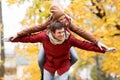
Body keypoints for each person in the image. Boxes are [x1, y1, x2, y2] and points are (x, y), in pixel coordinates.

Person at [10, 5, 111, 80]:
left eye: (64, 18)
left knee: (75, 57)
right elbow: (34, 29)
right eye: (62, 19)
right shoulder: (48, 26)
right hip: (48, 45)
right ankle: (43, 72)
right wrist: (17, 35)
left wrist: (97, 43)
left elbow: (81, 32)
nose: (64, 20)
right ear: (55, 20)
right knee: (40, 58)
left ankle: (63, 69)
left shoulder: (67, 23)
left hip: (67, 43)